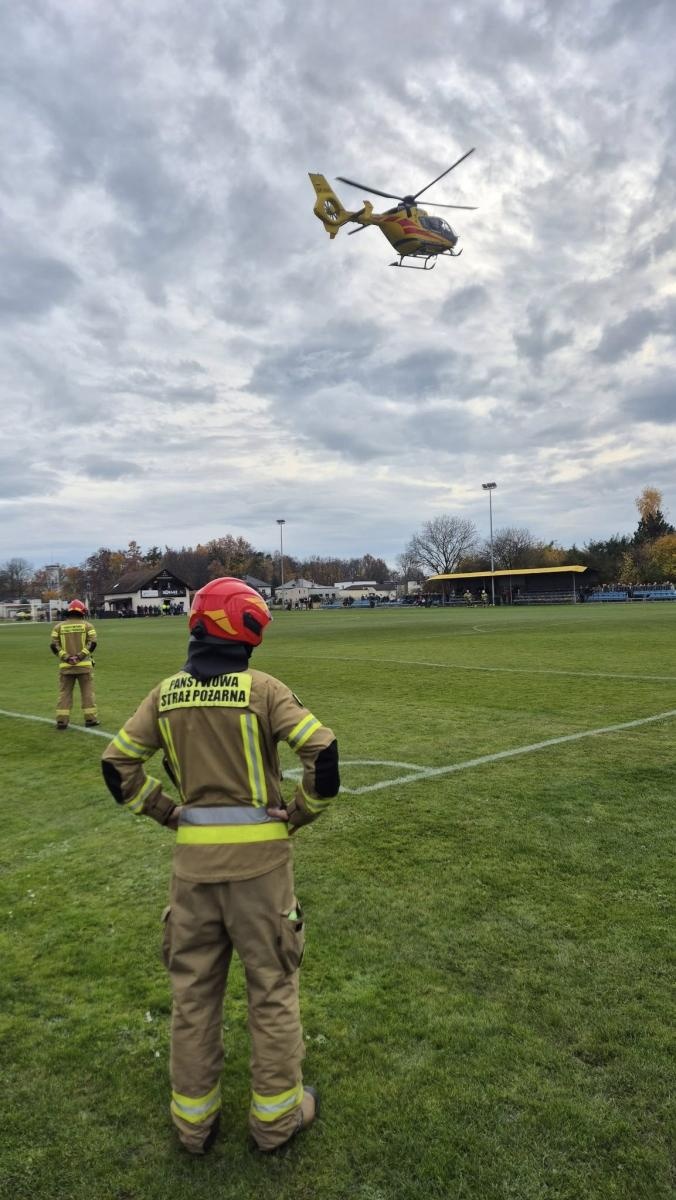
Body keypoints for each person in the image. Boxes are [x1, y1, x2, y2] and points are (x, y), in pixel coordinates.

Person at [101, 577, 340, 1155]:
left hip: (192, 874)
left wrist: (165, 813)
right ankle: (276, 1122)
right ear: (248, 629)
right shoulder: (262, 690)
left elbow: (117, 766)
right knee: (273, 990)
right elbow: (323, 753)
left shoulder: (165, 694)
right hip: (262, 872)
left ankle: (193, 1125)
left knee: (193, 996)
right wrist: (297, 814)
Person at [50, 599, 99, 728]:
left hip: (66, 667)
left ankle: (62, 721)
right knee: (87, 693)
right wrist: (79, 657)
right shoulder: (88, 626)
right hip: (84, 667)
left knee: (64, 694)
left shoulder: (58, 627)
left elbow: (54, 646)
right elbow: (92, 644)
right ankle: (90, 719)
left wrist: (67, 658)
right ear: (82, 612)